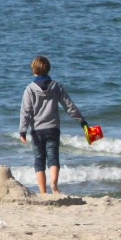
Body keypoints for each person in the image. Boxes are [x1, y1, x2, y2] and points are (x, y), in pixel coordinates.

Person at [18, 55, 90, 195]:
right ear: (48, 69)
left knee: (39, 161)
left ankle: (43, 192)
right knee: (53, 158)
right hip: (53, 129)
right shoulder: (56, 86)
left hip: (37, 131)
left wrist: (22, 131)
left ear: (34, 70)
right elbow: (69, 106)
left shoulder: (30, 89)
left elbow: (25, 111)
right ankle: (54, 185)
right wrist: (82, 121)